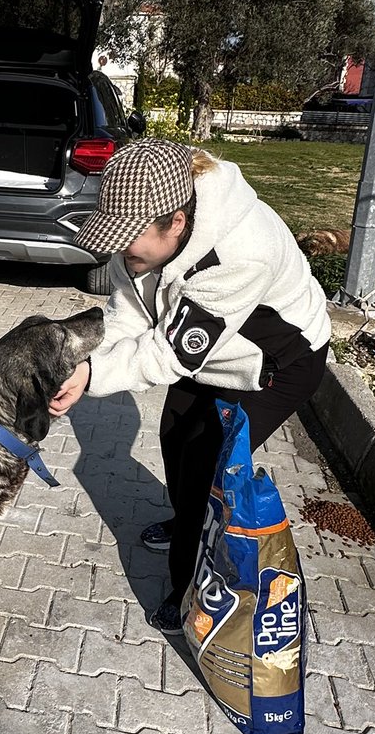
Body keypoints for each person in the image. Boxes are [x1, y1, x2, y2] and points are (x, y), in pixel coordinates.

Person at [50, 137, 331, 633]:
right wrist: (83, 359)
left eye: (127, 239)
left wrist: (92, 378)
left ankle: (189, 596)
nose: (118, 250)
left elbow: (168, 353)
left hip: (275, 363)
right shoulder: (143, 238)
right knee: (176, 436)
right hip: (209, 353)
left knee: (206, 467)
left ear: (176, 223)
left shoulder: (242, 252)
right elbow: (129, 318)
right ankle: (184, 524)